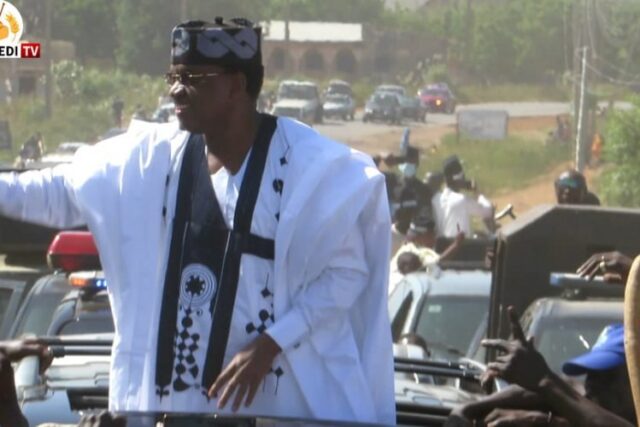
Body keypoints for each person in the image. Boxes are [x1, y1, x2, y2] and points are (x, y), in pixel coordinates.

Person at [0, 18, 395, 423]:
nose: (175, 90)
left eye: (192, 78)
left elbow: (347, 274)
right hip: (173, 411)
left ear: (236, 85)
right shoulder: (148, 161)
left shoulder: (309, 170)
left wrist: (271, 344)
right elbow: (53, 192)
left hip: (281, 409)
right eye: (173, 77)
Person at [446, 309, 635, 427]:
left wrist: (543, 381)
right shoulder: (591, 402)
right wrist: (469, 410)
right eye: (591, 374)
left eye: (608, 376)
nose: (593, 385)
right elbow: (570, 389)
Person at [433, 155, 494, 238]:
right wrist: (476, 192)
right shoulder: (460, 200)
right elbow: (488, 211)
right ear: (459, 178)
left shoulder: (436, 199)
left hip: (443, 245)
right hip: (461, 245)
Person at [391, 213, 465, 275]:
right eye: (432, 235)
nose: (435, 237)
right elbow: (438, 263)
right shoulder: (419, 251)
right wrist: (456, 244)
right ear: (422, 236)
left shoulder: (406, 247)